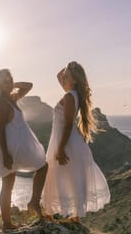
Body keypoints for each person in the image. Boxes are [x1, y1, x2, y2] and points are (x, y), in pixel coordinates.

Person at [42, 61, 110, 222]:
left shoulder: (69, 96)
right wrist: (69, 66)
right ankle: (67, 214)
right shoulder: (73, 94)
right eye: (64, 77)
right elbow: (59, 75)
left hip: (66, 142)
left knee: (63, 174)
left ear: (74, 80)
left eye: (67, 77)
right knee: (68, 175)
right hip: (67, 141)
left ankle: (56, 214)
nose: (63, 79)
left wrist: (60, 148)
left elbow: (67, 125)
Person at [0, 69, 47, 230]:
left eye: (10, 80)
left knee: (43, 166)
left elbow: (29, 86)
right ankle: (7, 223)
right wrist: (6, 154)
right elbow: (0, 131)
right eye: (4, 82)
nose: (8, 84)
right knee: (8, 183)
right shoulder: (1, 104)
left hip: (17, 147)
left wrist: (11, 85)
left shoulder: (12, 99)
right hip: (7, 148)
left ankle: (33, 202)